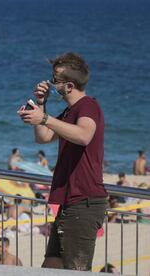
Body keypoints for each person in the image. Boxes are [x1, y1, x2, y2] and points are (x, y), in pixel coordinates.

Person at [18, 52, 108, 270]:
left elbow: (84, 135)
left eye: (55, 80)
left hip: (84, 201)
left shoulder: (88, 106)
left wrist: (45, 119)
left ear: (69, 86)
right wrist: (41, 105)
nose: (50, 83)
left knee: (75, 270)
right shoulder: (70, 111)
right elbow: (43, 137)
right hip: (71, 201)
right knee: (51, 266)